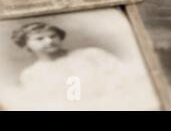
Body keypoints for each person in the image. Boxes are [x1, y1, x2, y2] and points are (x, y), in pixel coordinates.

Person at [5, 22, 151, 110]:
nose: (49, 41)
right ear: (26, 46)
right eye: (40, 38)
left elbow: (130, 80)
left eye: (53, 36)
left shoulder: (92, 55)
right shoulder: (31, 74)